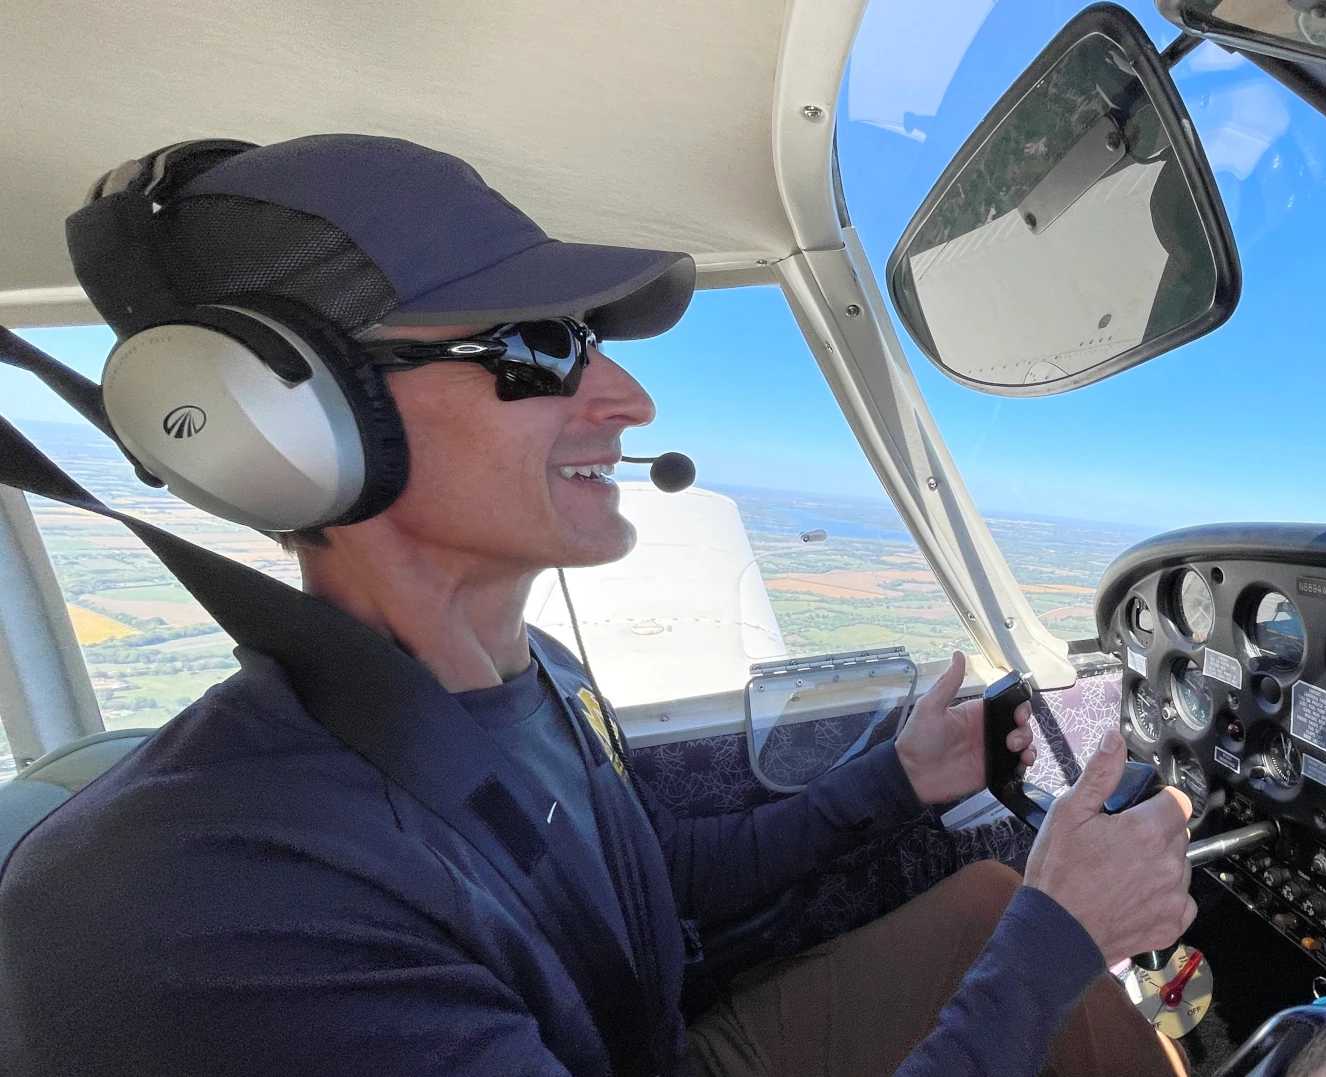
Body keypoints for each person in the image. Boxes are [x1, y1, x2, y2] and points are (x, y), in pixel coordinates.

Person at [0, 135, 1196, 1077]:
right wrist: (1063, 940)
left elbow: (645, 888)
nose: (626, 397)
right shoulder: (219, 904)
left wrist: (898, 783)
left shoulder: (534, 684)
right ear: (291, 423)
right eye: (537, 346)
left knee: (992, 906)